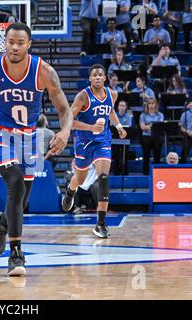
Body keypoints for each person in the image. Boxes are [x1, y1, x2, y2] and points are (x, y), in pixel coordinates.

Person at [0, 23, 73, 276]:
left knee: (21, 203)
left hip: (30, 137)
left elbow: (65, 110)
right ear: (5, 43)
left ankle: (2, 223)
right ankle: (16, 254)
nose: (14, 47)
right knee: (15, 183)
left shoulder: (44, 72)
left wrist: (65, 132)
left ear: (29, 44)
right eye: (10, 42)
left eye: (20, 42)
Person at [62, 64, 127, 238]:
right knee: (81, 178)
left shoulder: (112, 94)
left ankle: (100, 223)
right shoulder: (83, 96)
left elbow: (110, 111)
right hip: (84, 142)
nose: (97, 77)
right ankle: (71, 190)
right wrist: (91, 127)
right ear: (89, 79)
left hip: (102, 141)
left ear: (105, 78)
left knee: (103, 178)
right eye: (94, 75)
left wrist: (119, 126)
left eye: (100, 75)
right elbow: (68, 121)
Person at [139, 98, 164, 175]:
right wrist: (153, 125)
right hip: (146, 137)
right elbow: (142, 127)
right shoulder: (143, 115)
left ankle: (157, 173)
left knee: (157, 156)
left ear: (156, 105)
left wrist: (148, 125)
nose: (151, 105)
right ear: (147, 105)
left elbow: (160, 126)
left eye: (153, 103)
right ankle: (145, 173)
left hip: (156, 137)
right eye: (150, 104)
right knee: (146, 156)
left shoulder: (160, 115)